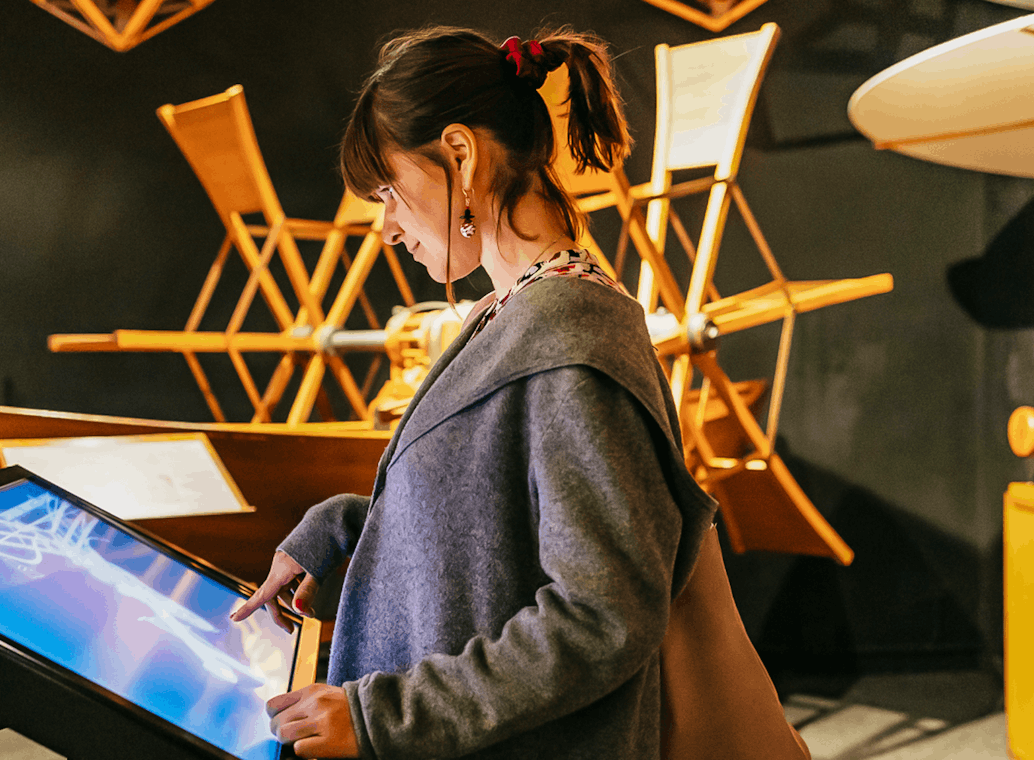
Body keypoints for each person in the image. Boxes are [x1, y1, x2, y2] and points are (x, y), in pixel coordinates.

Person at [231, 25, 718, 760]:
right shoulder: (514, 314)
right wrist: (337, 530)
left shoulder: (569, 337)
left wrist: (384, 718)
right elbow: (491, 523)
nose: (388, 228)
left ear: (460, 155)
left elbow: (602, 614)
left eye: (389, 192)